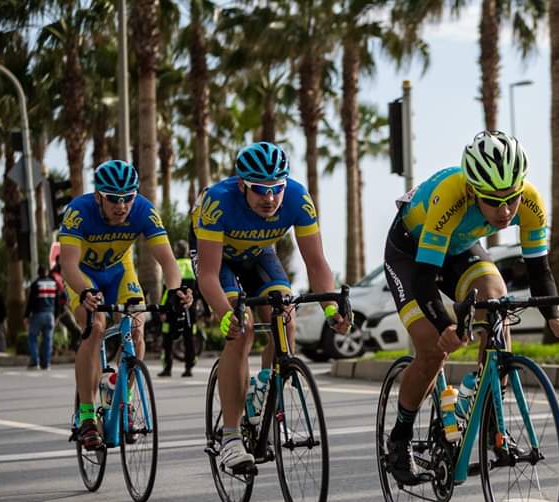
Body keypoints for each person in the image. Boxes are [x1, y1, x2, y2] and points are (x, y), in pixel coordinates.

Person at [382, 131, 559, 486]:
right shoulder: (450, 196)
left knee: (497, 300)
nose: (505, 212)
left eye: (512, 200)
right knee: (431, 350)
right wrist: (445, 324)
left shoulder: (531, 201)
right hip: (411, 256)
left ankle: (487, 416)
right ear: (473, 191)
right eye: (493, 202)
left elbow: (539, 269)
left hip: (459, 250)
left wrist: (555, 319)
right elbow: (426, 278)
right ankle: (399, 439)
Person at [191, 141, 350, 472]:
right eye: (260, 190)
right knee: (242, 330)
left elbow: (317, 263)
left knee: (285, 322)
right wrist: (224, 316)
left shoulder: (297, 197)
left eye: (276, 188)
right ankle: (232, 438)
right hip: (219, 261)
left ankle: (263, 389)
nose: (270, 198)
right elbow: (207, 275)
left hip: (259, 255)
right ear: (242, 185)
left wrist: (331, 310)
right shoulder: (218, 201)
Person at [58, 159, 192, 450]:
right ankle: (86, 417)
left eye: (127, 198)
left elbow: (168, 261)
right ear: (98, 197)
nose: (122, 206)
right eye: (114, 200)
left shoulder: (143, 209)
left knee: (137, 325)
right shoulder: (79, 212)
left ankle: (125, 401)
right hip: (83, 275)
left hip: (120, 271)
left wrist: (177, 289)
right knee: (95, 328)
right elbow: (67, 264)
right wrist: (83, 292)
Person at [158, 241, 197, 378]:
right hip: (189, 309)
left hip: (171, 308)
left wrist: (162, 310)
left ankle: (167, 368)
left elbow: (166, 291)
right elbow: (199, 291)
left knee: (167, 339)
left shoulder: (173, 266)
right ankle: (188, 368)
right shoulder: (193, 266)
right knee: (189, 339)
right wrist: (208, 310)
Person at [24, 265, 59, 369]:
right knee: (48, 339)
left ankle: (35, 362)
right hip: (50, 315)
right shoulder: (54, 284)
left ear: (38, 273)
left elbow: (31, 301)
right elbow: (57, 302)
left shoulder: (36, 284)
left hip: (38, 314)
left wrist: (26, 315)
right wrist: (56, 315)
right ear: (47, 272)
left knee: (32, 337)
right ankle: (46, 363)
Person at [50, 260, 82, 351]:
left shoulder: (60, 275)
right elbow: (58, 295)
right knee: (48, 334)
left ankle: (72, 349)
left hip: (62, 308)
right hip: (55, 309)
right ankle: (49, 352)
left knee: (76, 330)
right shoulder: (53, 276)